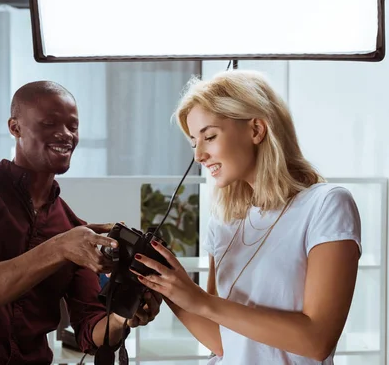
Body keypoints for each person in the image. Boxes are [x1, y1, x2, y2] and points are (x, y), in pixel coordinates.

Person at [0, 81, 161, 365]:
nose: (65, 135)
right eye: (49, 124)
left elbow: (90, 330)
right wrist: (58, 248)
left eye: (73, 126)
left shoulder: (71, 227)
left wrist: (124, 314)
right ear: (15, 127)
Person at [130, 70, 361, 364]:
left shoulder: (326, 205)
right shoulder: (224, 222)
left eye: (209, 136)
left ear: (256, 130)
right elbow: (221, 339)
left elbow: (317, 340)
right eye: (193, 143)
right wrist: (167, 288)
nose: (199, 155)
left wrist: (201, 301)